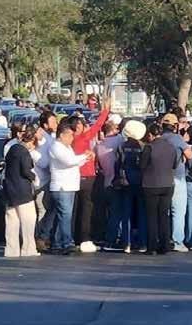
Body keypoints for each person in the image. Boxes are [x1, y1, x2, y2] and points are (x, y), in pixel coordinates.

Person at [69, 98, 111, 253]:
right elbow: (98, 126)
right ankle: (85, 238)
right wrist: (105, 111)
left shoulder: (68, 141)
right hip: (87, 177)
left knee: (75, 209)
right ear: (78, 127)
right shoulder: (83, 138)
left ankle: (73, 237)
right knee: (87, 209)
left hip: (74, 177)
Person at [48, 120, 94, 254]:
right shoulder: (56, 147)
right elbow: (69, 161)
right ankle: (66, 242)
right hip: (62, 186)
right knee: (65, 215)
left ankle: (57, 242)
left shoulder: (66, 147)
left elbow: (75, 163)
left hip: (70, 186)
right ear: (62, 135)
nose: (72, 138)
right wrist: (84, 155)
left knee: (63, 215)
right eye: (69, 135)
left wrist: (86, 158)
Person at [104, 119, 147, 253]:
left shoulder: (122, 147)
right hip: (141, 182)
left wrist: (116, 180)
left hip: (125, 182)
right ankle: (142, 243)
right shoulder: (144, 147)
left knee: (126, 213)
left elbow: (118, 165)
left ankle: (126, 243)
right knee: (141, 213)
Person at [141, 123, 180, 255]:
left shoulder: (149, 147)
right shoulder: (171, 146)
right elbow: (175, 164)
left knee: (151, 216)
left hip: (151, 184)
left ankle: (152, 246)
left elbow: (142, 165)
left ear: (150, 134)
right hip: (168, 184)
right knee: (164, 215)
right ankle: (164, 245)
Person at [3, 125, 40, 258]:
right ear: (31, 141)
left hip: (10, 190)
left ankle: (11, 250)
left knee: (12, 222)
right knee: (28, 221)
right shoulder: (24, 152)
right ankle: (28, 249)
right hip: (23, 192)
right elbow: (26, 171)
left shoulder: (12, 149)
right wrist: (34, 177)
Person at [160, 113, 192, 252]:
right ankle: (177, 241)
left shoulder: (159, 138)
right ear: (175, 126)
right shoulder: (177, 138)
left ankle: (164, 238)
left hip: (162, 178)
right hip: (178, 177)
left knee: (164, 211)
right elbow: (189, 155)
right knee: (178, 211)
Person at [33, 110, 57, 251]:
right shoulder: (42, 138)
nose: (56, 124)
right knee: (43, 210)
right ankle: (39, 238)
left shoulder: (50, 137)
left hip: (47, 179)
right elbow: (42, 161)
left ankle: (42, 237)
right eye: (53, 121)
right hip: (40, 181)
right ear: (45, 124)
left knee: (47, 210)